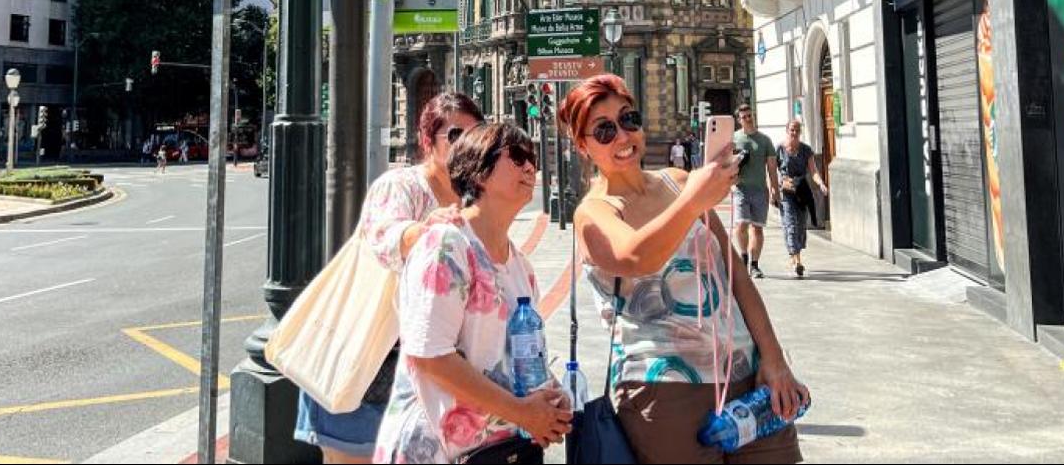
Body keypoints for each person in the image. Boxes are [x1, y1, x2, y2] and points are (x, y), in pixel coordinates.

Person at [561, 75, 806, 464]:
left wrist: (774, 360)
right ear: (582, 145)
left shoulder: (677, 182)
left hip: (747, 376)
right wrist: (694, 201)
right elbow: (637, 257)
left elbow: (736, 277)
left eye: (628, 119)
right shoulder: (594, 212)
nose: (623, 137)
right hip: (663, 389)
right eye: (604, 130)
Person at [295, 93, 484, 463]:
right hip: (366, 363)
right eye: (456, 135)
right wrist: (425, 231)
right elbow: (384, 235)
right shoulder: (401, 185)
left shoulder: (472, 199)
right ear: (429, 141)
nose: (467, 145)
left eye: (476, 135)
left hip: (429, 373)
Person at [374, 122, 573, 464]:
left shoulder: (519, 265)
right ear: (479, 172)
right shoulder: (446, 245)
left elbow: (517, 353)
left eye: (533, 159)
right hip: (437, 449)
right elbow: (430, 356)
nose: (530, 167)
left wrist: (550, 395)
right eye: (518, 157)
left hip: (498, 449)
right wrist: (522, 412)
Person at [731, 105, 780, 279]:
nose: (748, 119)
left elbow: (772, 168)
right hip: (740, 189)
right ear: (739, 120)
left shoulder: (764, 140)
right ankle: (744, 256)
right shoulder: (733, 138)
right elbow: (724, 162)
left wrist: (775, 189)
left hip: (760, 190)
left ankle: (755, 265)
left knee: (757, 229)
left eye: (750, 116)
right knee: (741, 225)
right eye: (744, 117)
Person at [776, 120, 829, 278]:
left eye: (797, 130)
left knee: (800, 226)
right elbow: (771, 169)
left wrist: (821, 184)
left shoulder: (806, 150)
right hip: (786, 192)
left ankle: (794, 255)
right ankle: (797, 261)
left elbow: (813, 170)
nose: (794, 133)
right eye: (792, 130)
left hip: (802, 192)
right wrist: (775, 186)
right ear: (787, 131)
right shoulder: (779, 149)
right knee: (790, 224)